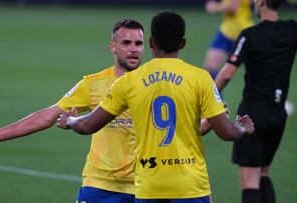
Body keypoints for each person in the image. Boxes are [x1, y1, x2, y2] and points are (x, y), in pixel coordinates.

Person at [57, 11, 255, 203]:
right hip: (190, 186)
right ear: (182, 43)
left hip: (149, 187)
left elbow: (88, 125)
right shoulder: (200, 78)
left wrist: (70, 120)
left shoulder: (130, 81)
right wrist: (243, 127)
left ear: (151, 43)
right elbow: (227, 132)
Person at [0, 19, 145, 203]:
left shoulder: (154, 82)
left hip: (146, 184)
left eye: (139, 43)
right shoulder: (93, 84)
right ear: (113, 47)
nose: (134, 49)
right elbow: (48, 115)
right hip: (101, 185)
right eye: (126, 43)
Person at [214, 0, 297, 202]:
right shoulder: (292, 29)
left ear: (260, 2)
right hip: (278, 115)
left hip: (252, 115)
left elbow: (226, 75)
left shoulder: (250, 35)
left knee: (249, 179)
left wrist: (208, 95)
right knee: (264, 172)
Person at [204, 0, 254, 80]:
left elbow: (233, 7)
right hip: (228, 30)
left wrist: (215, 7)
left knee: (256, 70)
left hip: (242, 33)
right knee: (211, 68)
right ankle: (215, 92)